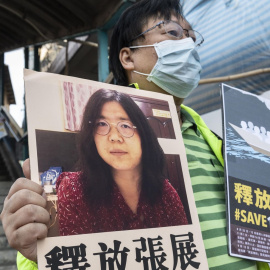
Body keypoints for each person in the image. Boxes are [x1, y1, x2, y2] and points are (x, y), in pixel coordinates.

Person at [0, 0, 269, 269]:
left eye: (191, 37)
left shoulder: (217, 143)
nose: (187, 44)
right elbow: (63, 254)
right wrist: (36, 250)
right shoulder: (69, 188)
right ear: (128, 57)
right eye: (173, 33)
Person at [57, 88, 188, 235]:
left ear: (144, 135)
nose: (114, 137)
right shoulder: (73, 189)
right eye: (101, 124)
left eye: (125, 126)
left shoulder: (165, 192)